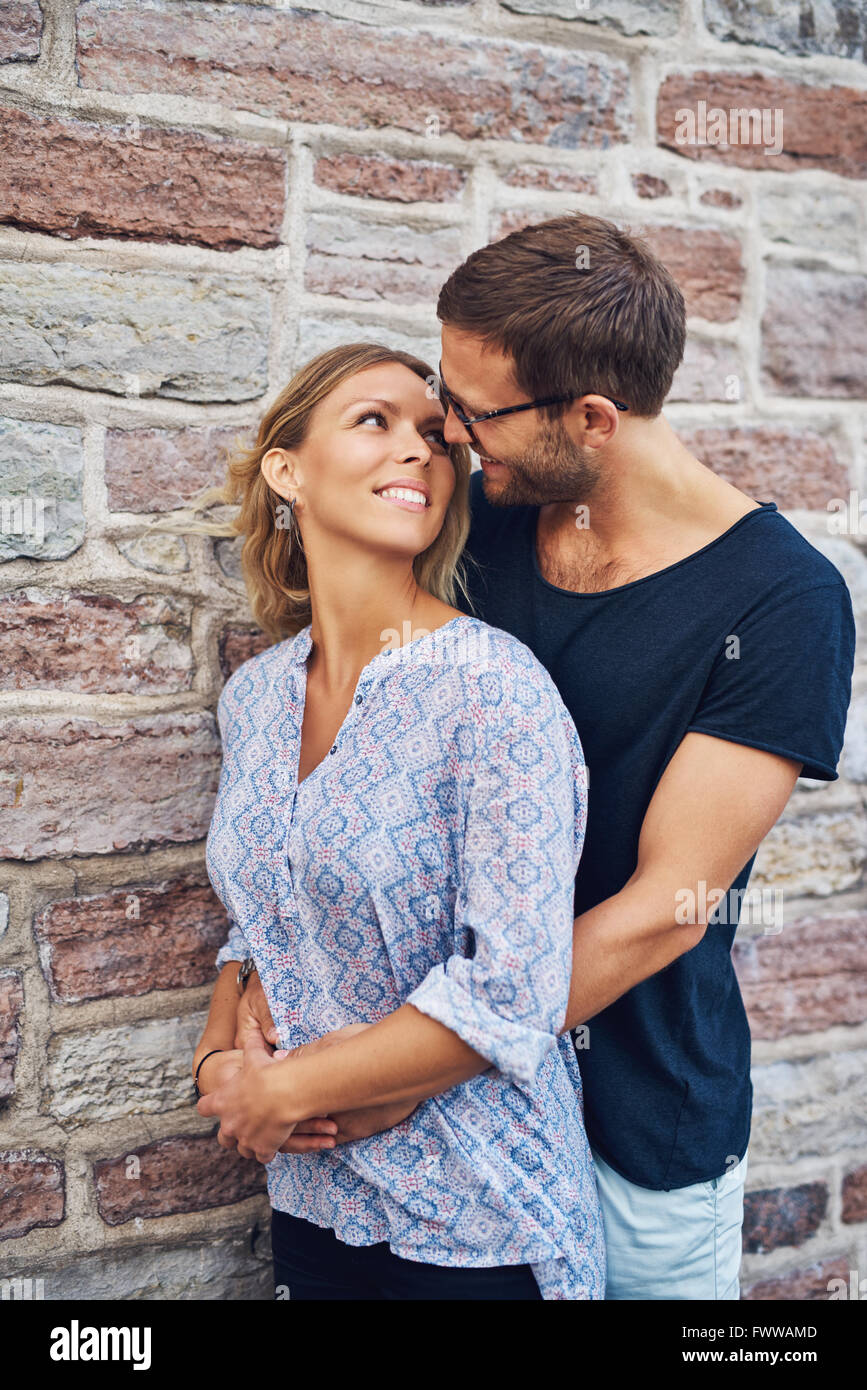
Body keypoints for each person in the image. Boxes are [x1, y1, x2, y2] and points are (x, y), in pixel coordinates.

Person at [234, 212, 856, 1301]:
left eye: (472, 414)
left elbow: (672, 900)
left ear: (594, 418)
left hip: (637, 1115)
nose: (450, 437)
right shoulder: (483, 522)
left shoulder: (784, 601)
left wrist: (404, 1064)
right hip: (434, 1118)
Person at [191, 341, 605, 1300]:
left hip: (476, 1212)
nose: (420, 451)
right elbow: (257, 912)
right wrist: (221, 1060)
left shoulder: (492, 691)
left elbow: (515, 989)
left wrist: (281, 1091)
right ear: (286, 470)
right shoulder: (254, 698)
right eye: (373, 422)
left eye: (433, 434)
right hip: (309, 1195)